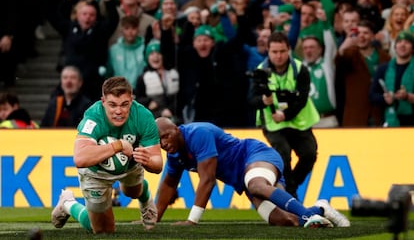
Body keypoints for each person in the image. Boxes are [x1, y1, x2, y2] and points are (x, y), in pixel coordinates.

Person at [154, 117, 350, 228]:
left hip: (256, 155)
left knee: (256, 185)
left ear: (178, 130)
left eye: (167, 136)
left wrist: (192, 220)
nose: (164, 143)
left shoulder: (197, 133)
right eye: (159, 141)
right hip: (244, 178)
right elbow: (169, 185)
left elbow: (208, 180)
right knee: (285, 220)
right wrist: (154, 218)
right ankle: (321, 209)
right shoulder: (174, 156)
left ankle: (307, 214)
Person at [51, 76, 163, 234]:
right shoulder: (93, 117)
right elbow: (80, 158)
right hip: (96, 172)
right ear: (103, 101)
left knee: (132, 192)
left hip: (131, 165)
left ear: (131, 100)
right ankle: (68, 203)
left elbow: (158, 164)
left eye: (125, 104)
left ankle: (144, 198)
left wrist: (147, 161)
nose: (118, 111)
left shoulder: (143, 116)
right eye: (112, 105)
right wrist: (118, 146)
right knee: (103, 231)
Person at [250, 31, 319, 199]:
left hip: (298, 120)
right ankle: (290, 193)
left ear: (289, 49)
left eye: (282, 51)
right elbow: (251, 99)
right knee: (283, 152)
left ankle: (290, 185)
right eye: (274, 52)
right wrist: (262, 101)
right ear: (267, 50)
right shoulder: (260, 71)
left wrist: (285, 115)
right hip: (273, 124)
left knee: (310, 154)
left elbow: (302, 99)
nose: (278, 56)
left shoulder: (300, 69)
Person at [369, 30, 414, 127]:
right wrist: (384, 98)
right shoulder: (383, 68)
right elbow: (372, 94)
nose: (402, 45)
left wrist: (408, 97)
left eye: (407, 42)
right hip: (390, 120)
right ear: (395, 47)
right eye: (399, 42)